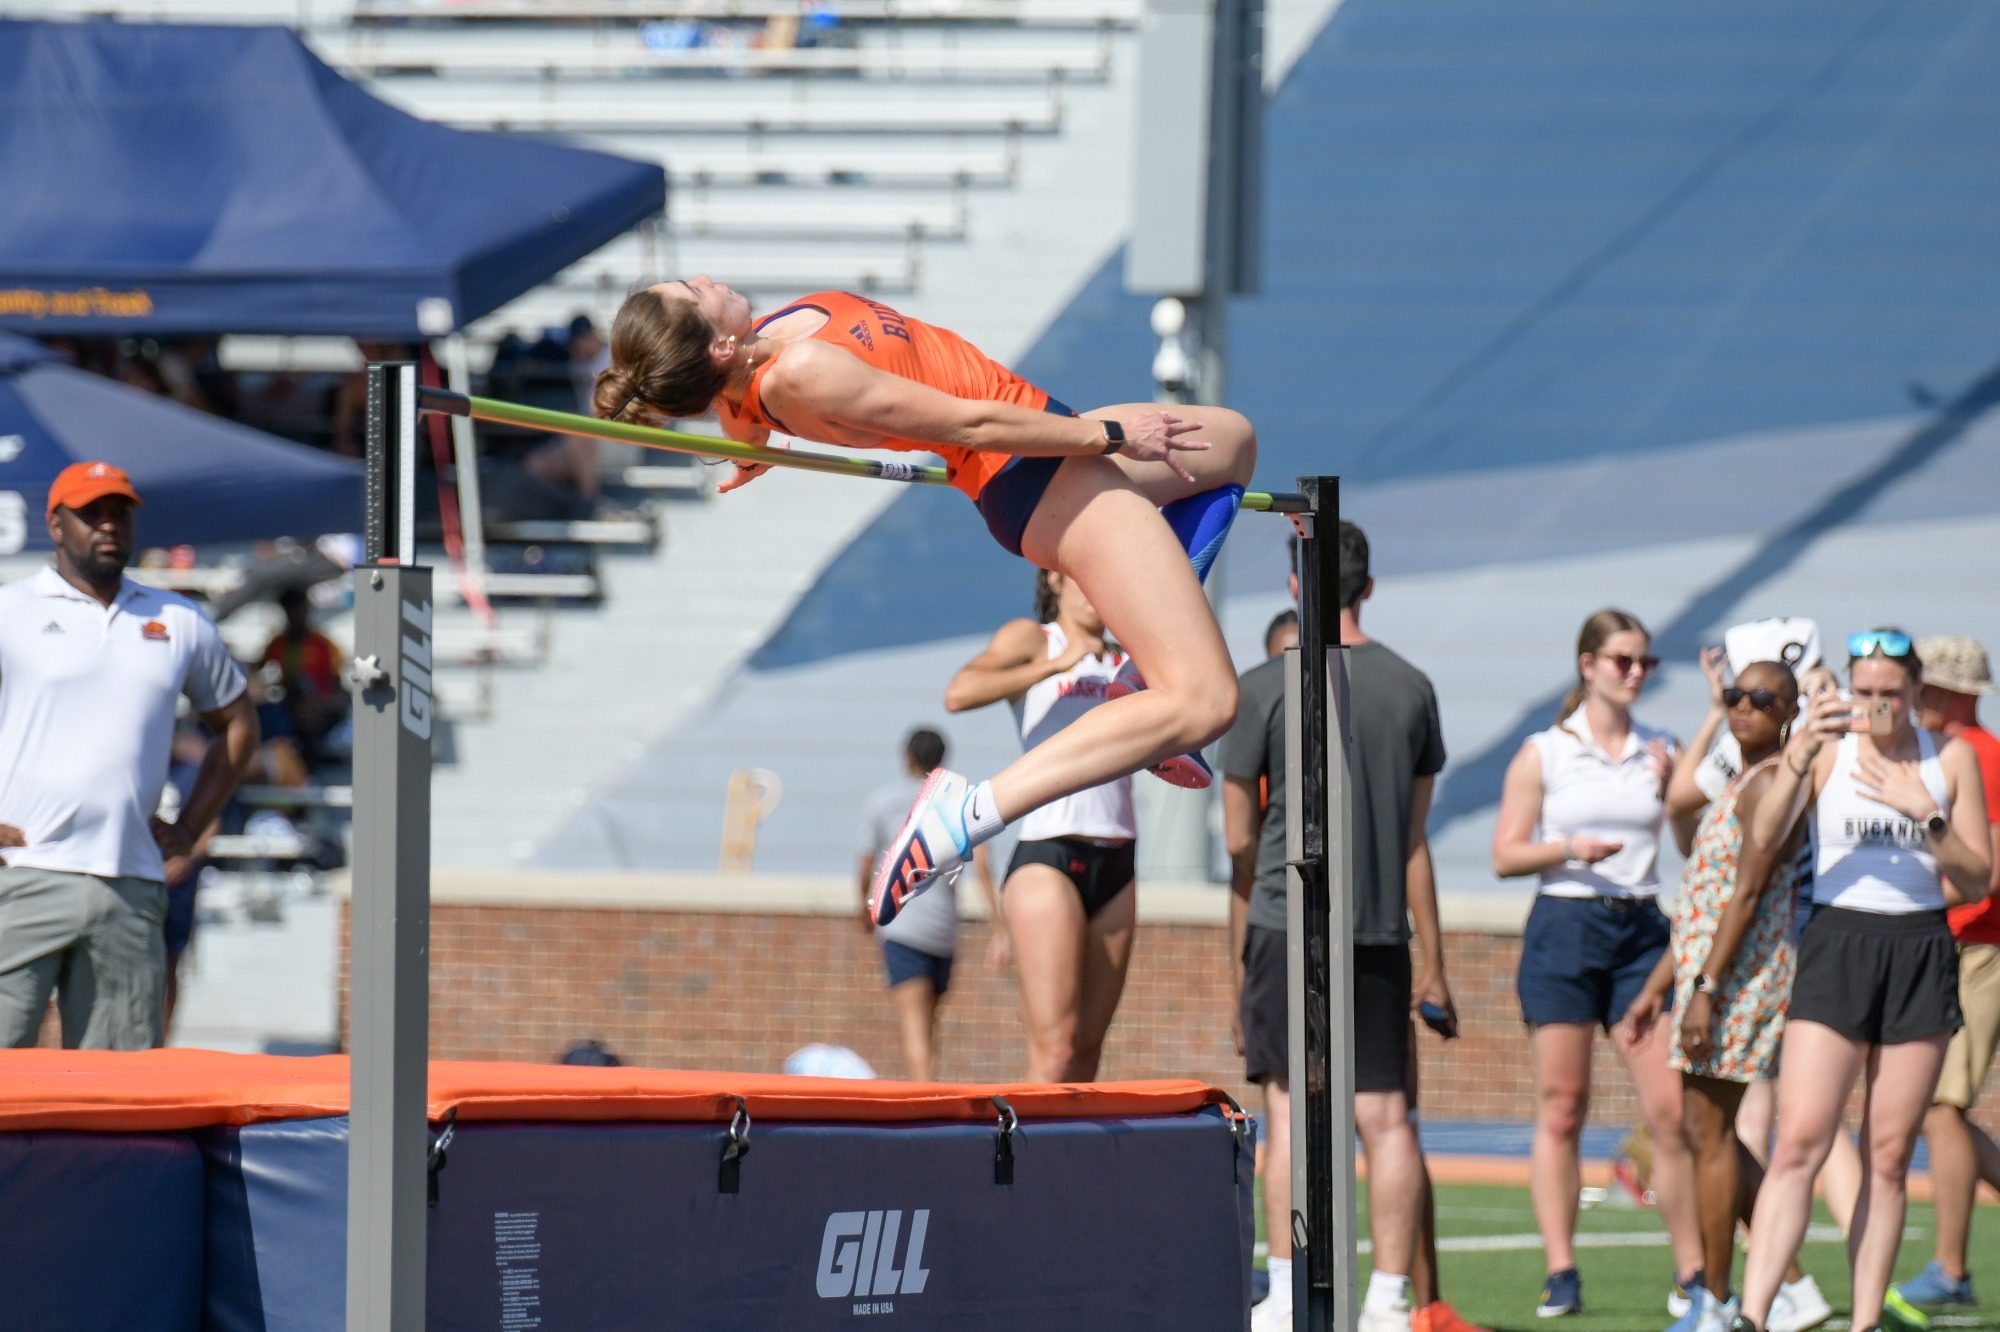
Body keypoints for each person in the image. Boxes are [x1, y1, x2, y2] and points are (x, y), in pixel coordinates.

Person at [591, 280, 1257, 924]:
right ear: (718, 349)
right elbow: (974, 421)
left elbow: (743, 426)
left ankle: (1139, 671)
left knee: (1228, 444)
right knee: (1206, 701)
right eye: (694, 291)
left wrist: (746, 454)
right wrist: (1114, 438)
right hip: (1038, 470)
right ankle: (968, 812)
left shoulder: (752, 367)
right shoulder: (801, 373)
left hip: (1049, 445)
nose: (707, 279)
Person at [1225, 523, 1484, 1332]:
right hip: (1377, 931)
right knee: (1386, 1120)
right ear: (1368, 587)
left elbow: (1237, 840)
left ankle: (1282, 1297)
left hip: (1283, 919)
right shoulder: (1411, 687)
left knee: (1288, 1114)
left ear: (1297, 588)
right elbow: (1414, 842)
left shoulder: (1263, 686)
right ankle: (1389, 1300)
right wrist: (1434, 962)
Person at [1736, 631, 1994, 1332]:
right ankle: (1752, 1316)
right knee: (1801, 1140)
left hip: (1918, 946)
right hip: (1838, 940)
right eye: (1866, 692)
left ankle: (1864, 1322)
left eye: (1891, 693)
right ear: (1848, 688)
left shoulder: (1952, 758)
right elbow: (1761, 834)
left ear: (1915, 690)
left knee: (1887, 1153)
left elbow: (1979, 878)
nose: (1877, 706)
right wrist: (1795, 755)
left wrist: (1927, 813)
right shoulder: (1826, 747)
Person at [0, 463, 259, 1049]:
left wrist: (191, 827)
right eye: (91, 513)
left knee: (116, 1093)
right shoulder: (9, 610)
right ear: (56, 525)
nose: (108, 524)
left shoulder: (179, 620)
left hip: (130, 882)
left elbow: (239, 723)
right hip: (21, 875)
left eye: (119, 512)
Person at [1491, 608, 1702, 1318]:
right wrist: (1567, 849)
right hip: (1567, 924)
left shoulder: (1659, 745)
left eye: (1645, 662)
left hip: (1642, 928)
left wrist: (1678, 794)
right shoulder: (1545, 751)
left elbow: (1688, 843)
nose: (1636, 673)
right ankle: (1561, 1270)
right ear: (1587, 665)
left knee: (1670, 1111)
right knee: (1562, 1108)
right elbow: (1505, 855)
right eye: (1622, 660)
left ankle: (1692, 1272)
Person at [1625, 658, 1807, 1332]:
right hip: (1712, 972)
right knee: (1711, 1134)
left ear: (1789, 713)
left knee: (1711, 1134)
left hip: (1737, 980)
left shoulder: (1772, 785)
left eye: (1762, 698)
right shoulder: (1744, 778)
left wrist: (1703, 989)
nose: (1744, 706)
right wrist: (1656, 988)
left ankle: (1720, 1301)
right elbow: (1701, 902)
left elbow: (1747, 895)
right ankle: (1778, 1286)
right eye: (1735, 695)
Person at [943, 571, 1137, 1082]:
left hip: (1118, 855)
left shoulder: (1130, 655)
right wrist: (1055, 666)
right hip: (1050, 854)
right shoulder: (1035, 639)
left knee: (1087, 1058)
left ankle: (1069, 1163)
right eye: (1085, 568)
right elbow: (960, 692)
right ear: (1055, 577)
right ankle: (1026, 1164)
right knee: (1053, 1054)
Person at [1893, 636, 2000, 1310]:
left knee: (1943, 1107)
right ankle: (1950, 1270)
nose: (1915, 697)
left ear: (1956, 691)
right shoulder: (1938, 755)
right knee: (1935, 1107)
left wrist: (1916, 898)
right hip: (1943, 946)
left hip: (1976, 946)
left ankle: (1951, 1269)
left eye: (1926, 686)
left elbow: (1990, 873)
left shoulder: (1982, 756)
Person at [855, 728, 997, 1082]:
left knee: (914, 1025)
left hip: (902, 925)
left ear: (907, 757)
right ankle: (930, 1088)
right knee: (930, 1023)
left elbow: (865, 865)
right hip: (944, 928)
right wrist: (999, 926)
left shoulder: (882, 801)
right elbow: (983, 869)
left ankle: (926, 1101)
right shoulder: (961, 802)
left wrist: (864, 908)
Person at [259, 587, 346, 767]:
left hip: (321, 708)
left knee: (308, 715)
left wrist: (318, 703)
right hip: (289, 707)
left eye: (298, 609)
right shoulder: (277, 645)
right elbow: (259, 673)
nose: (295, 616)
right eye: (290, 610)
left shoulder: (324, 645)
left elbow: (336, 687)